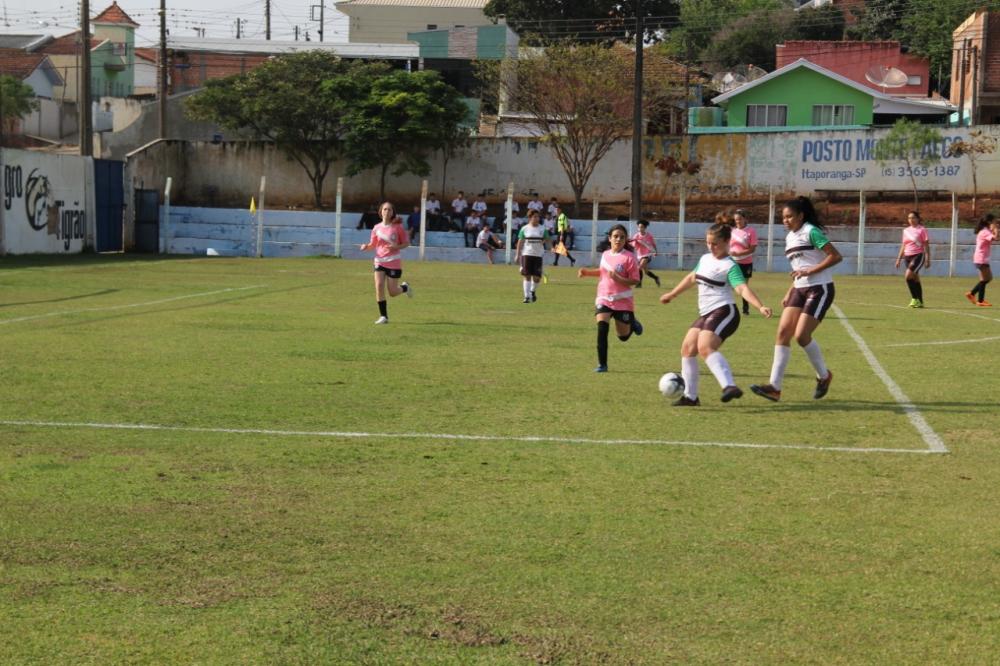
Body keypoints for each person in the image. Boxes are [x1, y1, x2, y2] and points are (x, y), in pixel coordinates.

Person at [659, 223, 773, 406]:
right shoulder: (705, 259)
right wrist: (672, 294)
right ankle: (691, 397)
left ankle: (729, 386)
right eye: (708, 243)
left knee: (705, 346)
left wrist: (760, 306)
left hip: (724, 311)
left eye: (715, 244)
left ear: (728, 242)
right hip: (706, 313)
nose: (711, 247)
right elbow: (691, 278)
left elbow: (742, 288)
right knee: (687, 349)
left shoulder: (730, 266)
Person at [750, 196, 842, 402]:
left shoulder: (811, 231)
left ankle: (824, 376)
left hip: (819, 289)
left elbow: (835, 256)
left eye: (789, 216)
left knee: (801, 336)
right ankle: (774, 387)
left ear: (801, 216)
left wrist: (811, 271)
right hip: (798, 289)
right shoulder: (790, 237)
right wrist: (789, 290)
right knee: (782, 333)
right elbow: (798, 269)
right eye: (783, 217)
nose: (785, 220)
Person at [577, 224, 643, 373]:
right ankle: (602, 364)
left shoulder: (630, 257)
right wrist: (587, 273)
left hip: (623, 301)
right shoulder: (606, 254)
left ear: (626, 240)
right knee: (602, 329)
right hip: (604, 298)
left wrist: (619, 278)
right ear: (610, 238)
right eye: (615, 236)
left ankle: (632, 324)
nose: (618, 239)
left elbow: (635, 280)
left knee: (623, 337)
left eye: (622, 237)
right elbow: (602, 272)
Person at [359, 201, 413, 324]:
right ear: (380, 211)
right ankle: (384, 316)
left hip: (393, 262)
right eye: (385, 209)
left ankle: (405, 288)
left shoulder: (397, 227)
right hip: (379, 261)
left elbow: (406, 243)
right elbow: (373, 245)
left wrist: (396, 247)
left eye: (389, 210)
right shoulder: (376, 228)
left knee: (392, 292)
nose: (387, 212)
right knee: (378, 286)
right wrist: (365, 247)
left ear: (393, 212)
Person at [895, 210, 931, 308]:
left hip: (918, 255)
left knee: (908, 276)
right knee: (915, 278)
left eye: (913, 217)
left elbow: (926, 245)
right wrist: (899, 258)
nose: (911, 220)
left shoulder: (922, 230)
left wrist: (927, 259)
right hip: (907, 256)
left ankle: (914, 299)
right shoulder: (906, 231)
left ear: (918, 219)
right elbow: (904, 245)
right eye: (909, 218)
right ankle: (920, 301)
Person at [515, 210, 551, 303]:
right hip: (527, 254)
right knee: (527, 275)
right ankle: (526, 297)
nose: (537, 218)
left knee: (537, 277)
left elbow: (547, 239)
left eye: (538, 217)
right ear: (530, 218)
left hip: (538, 255)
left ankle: (532, 291)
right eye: (535, 217)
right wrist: (517, 254)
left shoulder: (542, 229)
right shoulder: (524, 229)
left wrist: (548, 246)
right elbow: (520, 242)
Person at [729, 208, 758, 314]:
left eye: (740, 219)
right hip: (733, 262)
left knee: (744, 287)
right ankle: (728, 307)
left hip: (746, 262)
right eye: (736, 220)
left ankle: (745, 308)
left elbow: (752, 249)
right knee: (730, 286)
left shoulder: (751, 231)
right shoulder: (732, 231)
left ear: (745, 219)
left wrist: (739, 254)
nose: (738, 221)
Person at [966, 213, 998, 307]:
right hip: (981, 258)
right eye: (994, 221)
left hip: (981, 258)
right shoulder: (985, 232)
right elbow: (996, 238)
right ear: (989, 222)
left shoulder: (985, 231)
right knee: (986, 279)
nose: (995, 223)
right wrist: (995, 230)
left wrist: (993, 230)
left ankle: (975, 296)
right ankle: (976, 297)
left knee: (986, 279)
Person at [630, 219, 660, 287]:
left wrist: (656, 251)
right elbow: (632, 244)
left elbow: (653, 244)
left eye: (642, 227)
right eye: (639, 227)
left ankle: (639, 284)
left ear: (645, 228)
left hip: (647, 255)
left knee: (639, 268)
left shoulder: (649, 236)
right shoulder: (636, 236)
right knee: (646, 271)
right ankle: (656, 278)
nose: (640, 229)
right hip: (639, 255)